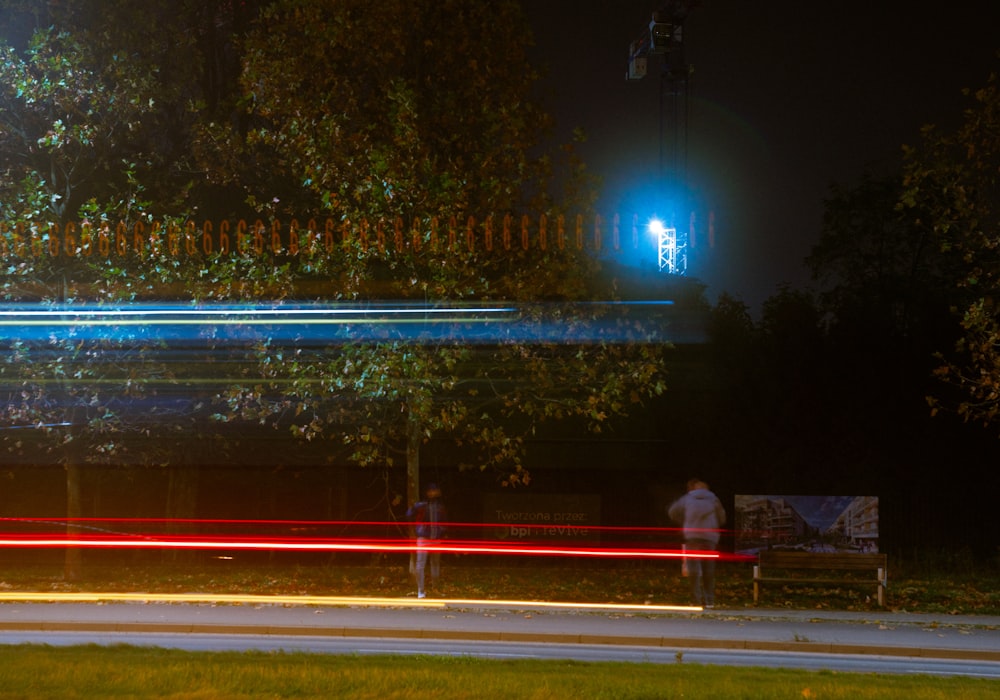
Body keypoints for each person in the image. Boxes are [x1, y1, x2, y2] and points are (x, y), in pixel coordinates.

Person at [668, 478, 726, 608]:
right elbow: (722, 517)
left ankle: (695, 600)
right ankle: (710, 601)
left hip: (693, 536)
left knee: (693, 571)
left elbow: (672, 511)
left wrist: (685, 521)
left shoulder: (687, 498)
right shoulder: (713, 499)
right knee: (708, 571)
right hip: (710, 538)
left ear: (693, 488)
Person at [406, 483, 447, 599]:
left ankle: (435, 588)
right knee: (421, 565)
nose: (433, 493)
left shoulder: (440, 506)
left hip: (436, 538)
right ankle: (421, 590)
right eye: (431, 491)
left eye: (435, 491)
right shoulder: (421, 505)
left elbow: (444, 521)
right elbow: (409, 514)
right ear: (427, 492)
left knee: (435, 564)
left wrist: (442, 531)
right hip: (423, 538)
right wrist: (417, 526)